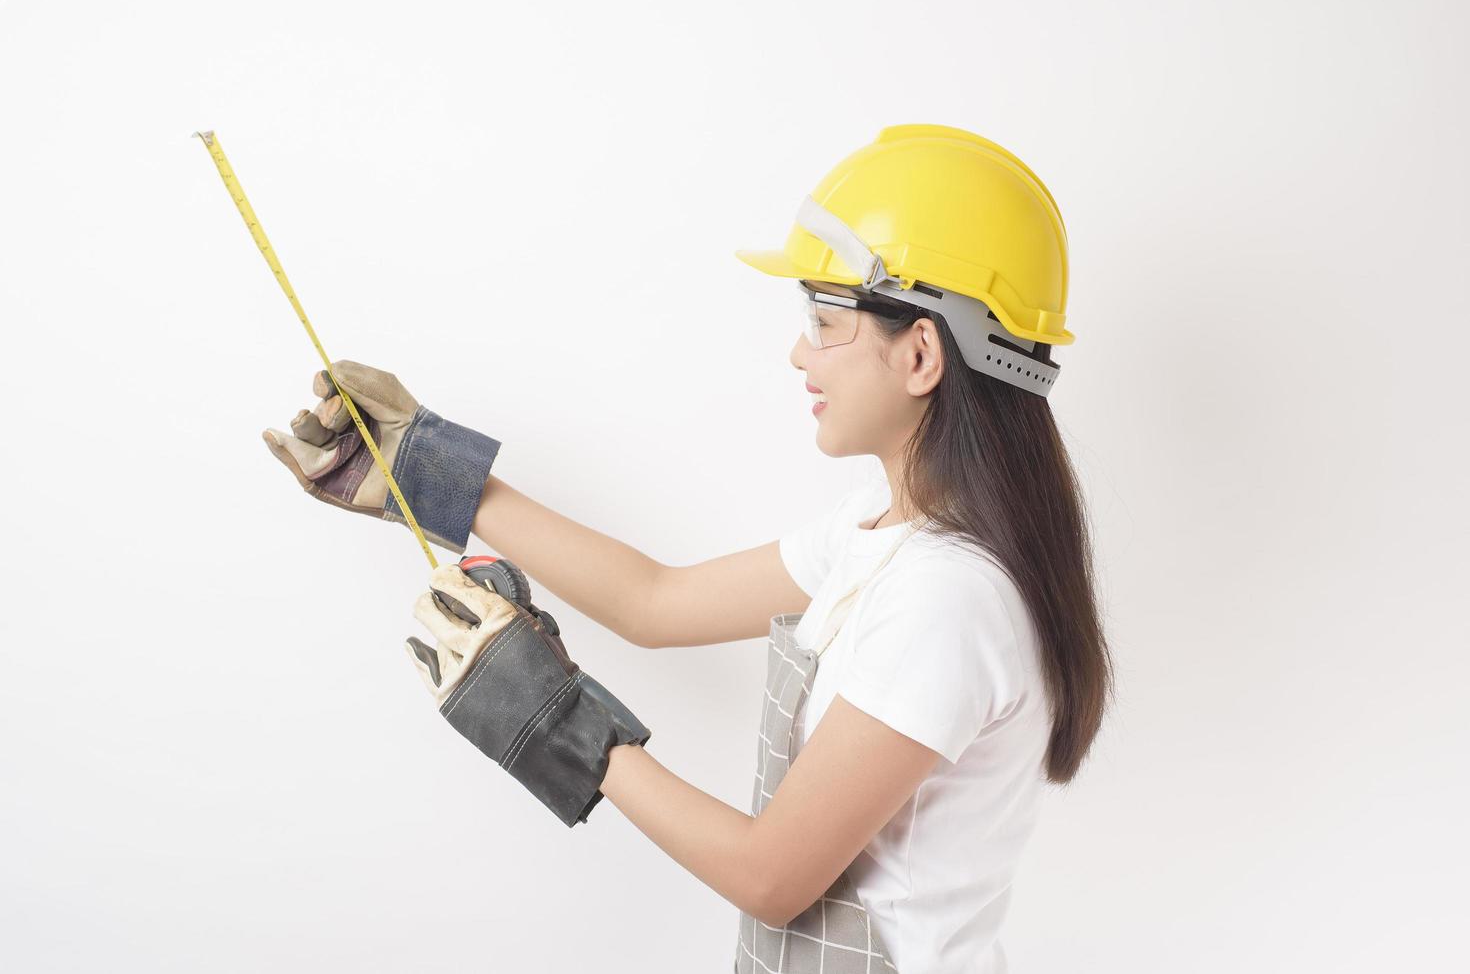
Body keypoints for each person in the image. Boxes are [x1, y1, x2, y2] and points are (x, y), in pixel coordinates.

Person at [261, 123, 1113, 974]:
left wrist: (559, 717)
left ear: (921, 352)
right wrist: (431, 475)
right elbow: (655, 602)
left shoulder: (947, 597)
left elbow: (771, 874)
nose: (797, 351)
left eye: (822, 322)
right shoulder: (881, 535)